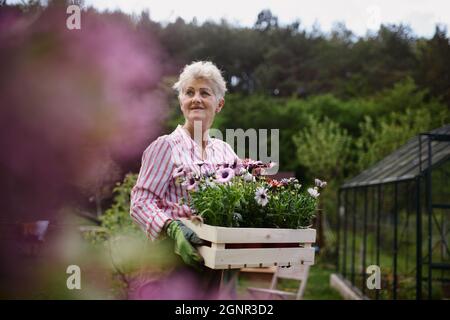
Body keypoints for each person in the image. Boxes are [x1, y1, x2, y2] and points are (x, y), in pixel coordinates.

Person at [130, 61, 239, 299]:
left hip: (210, 266)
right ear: (181, 102)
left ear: (219, 104)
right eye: (189, 92)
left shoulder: (225, 152)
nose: (196, 98)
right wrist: (172, 227)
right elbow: (140, 202)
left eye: (205, 93)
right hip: (169, 263)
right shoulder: (165, 147)